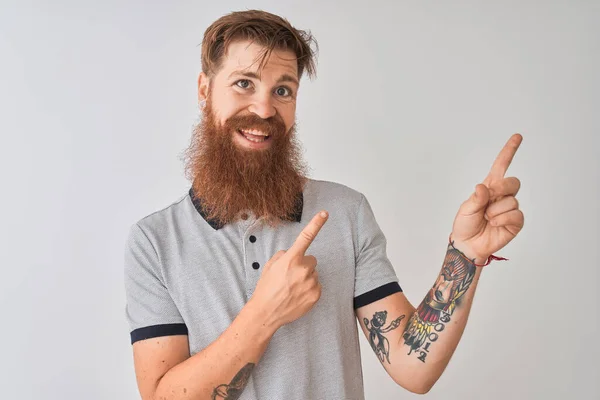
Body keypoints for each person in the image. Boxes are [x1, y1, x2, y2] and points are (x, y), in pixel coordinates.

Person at [123, 9, 525, 400]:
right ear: (204, 90)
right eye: (244, 83)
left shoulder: (346, 212)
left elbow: (412, 367)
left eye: (282, 90)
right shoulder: (154, 242)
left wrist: (466, 256)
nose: (264, 109)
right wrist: (264, 315)